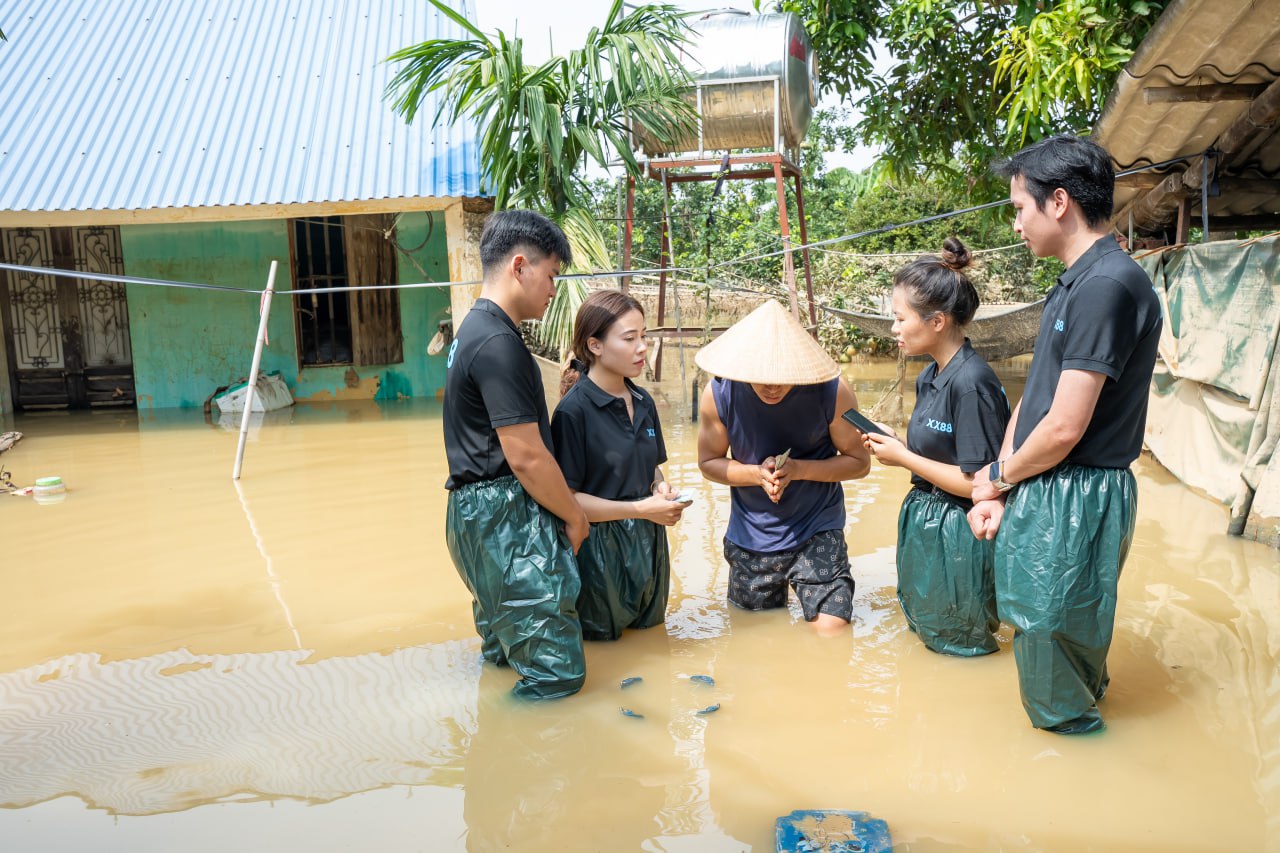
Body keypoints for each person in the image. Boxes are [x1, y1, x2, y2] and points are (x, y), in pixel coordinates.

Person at [968, 135, 1163, 733]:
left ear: (1058, 203)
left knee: (1053, 642)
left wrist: (998, 476)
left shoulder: (1106, 285)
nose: (1016, 223)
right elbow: (1037, 398)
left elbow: (1064, 427)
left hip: (1076, 490)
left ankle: (1078, 778)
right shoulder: (1075, 282)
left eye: (1019, 208)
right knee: (1048, 636)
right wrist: (998, 488)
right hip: (1048, 484)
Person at [442, 209, 589, 700]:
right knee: (556, 675)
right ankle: (521, 762)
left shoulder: (472, 330)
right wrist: (574, 517)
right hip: (504, 518)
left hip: (475, 517)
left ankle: (492, 762)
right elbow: (525, 456)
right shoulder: (499, 342)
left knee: (505, 653)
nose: (553, 289)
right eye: (551, 276)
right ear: (520, 266)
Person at [862, 238, 1011, 656]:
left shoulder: (971, 383)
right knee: (930, 633)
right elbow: (939, 452)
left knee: (960, 644)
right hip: (926, 522)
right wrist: (895, 444)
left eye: (899, 318)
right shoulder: (931, 376)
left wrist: (903, 458)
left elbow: (983, 486)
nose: (893, 328)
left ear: (938, 321)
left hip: (959, 534)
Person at [695, 299, 871, 634]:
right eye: (761, 378)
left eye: (782, 377)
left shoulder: (833, 390)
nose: (772, 387)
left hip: (816, 526)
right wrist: (755, 475)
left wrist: (799, 470)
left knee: (832, 630)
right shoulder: (718, 392)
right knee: (754, 638)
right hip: (751, 535)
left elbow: (859, 463)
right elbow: (707, 463)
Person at [551, 290, 686, 641]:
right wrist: (642, 509)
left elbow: (650, 467)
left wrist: (661, 489)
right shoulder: (573, 412)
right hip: (599, 554)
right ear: (594, 345)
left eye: (644, 337)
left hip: (650, 543)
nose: (643, 348)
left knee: (653, 642)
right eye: (630, 339)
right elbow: (568, 500)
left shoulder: (643, 400)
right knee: (606, 651)